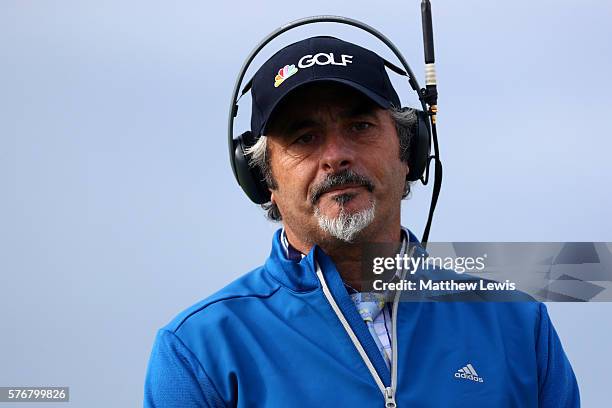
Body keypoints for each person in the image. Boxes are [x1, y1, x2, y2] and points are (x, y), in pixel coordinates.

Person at [144, 36, 579, 407]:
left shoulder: (518, 324)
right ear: (264, 179)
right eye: (304, 137)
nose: (335, 156)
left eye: (360, 126)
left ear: (409, 152)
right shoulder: (198, 350)